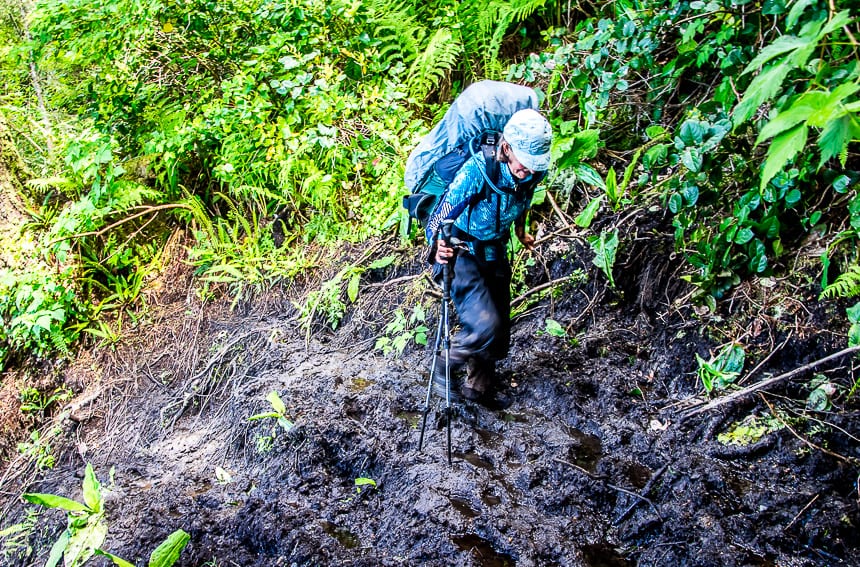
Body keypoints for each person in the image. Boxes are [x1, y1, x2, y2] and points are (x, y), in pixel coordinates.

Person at [427, 108, 552, 407]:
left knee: (498, 336)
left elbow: (524, 201)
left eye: (536, 166)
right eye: (525, 163)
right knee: (484, 325)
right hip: (463, 252)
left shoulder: (532, 173)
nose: (530, 171)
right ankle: (445, 365)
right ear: (507, 148)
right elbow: (441, 214)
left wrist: (521, 232)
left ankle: (477, 390)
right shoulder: (476, 171)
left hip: (495, 250)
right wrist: (436, 247)